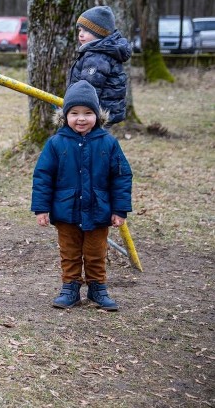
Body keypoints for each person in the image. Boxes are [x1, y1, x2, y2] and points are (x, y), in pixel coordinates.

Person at [31, 80, 133, 311]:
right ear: (65, 116)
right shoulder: (56, 143)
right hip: (66, 211)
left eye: (88, 113)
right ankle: (70, 288)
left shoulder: (108, 142)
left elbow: (121, 176)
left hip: (99, 211)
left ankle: (98, 289)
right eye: (74, 113)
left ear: (97, 116)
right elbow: (43, 176)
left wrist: (119, 210)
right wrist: (41, 208)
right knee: (70, 253)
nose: (81, 119)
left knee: (96, 253)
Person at [68, 5, 132, 126]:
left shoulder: (97, 57)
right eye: (80, 30)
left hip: (94, 112)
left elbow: (89, 88)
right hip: (99, 111)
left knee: (92, 142)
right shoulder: (101, 52)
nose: (81, 34)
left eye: (86, 31)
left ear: (100, 33)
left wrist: (77, 110)